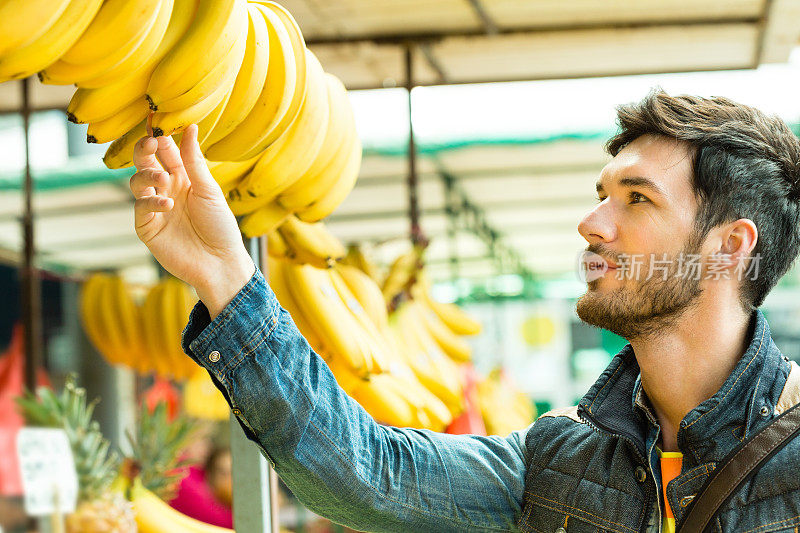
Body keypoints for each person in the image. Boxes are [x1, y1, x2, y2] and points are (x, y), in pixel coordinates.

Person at [128, 90, 800, 532]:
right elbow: (367, 473)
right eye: (601, 194)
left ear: (729, 247)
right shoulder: (561, 459)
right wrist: (225, 273)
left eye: (637, 198)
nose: (592, 223)